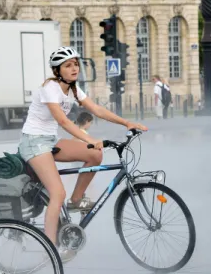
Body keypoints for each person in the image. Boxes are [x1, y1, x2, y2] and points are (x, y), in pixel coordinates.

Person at [18, 46, 147, 249]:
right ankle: (50, 250)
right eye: (68, 65)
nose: (74, 68)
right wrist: (90, 139)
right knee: (57, 194)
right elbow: (63, 121)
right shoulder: (50, 88)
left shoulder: (74, 89)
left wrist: (126, 123)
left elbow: (97, 109)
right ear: (57, 71)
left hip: (50, 141)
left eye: (76, 64)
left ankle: (77, 200)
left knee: (95, 154)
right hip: (34, 142)